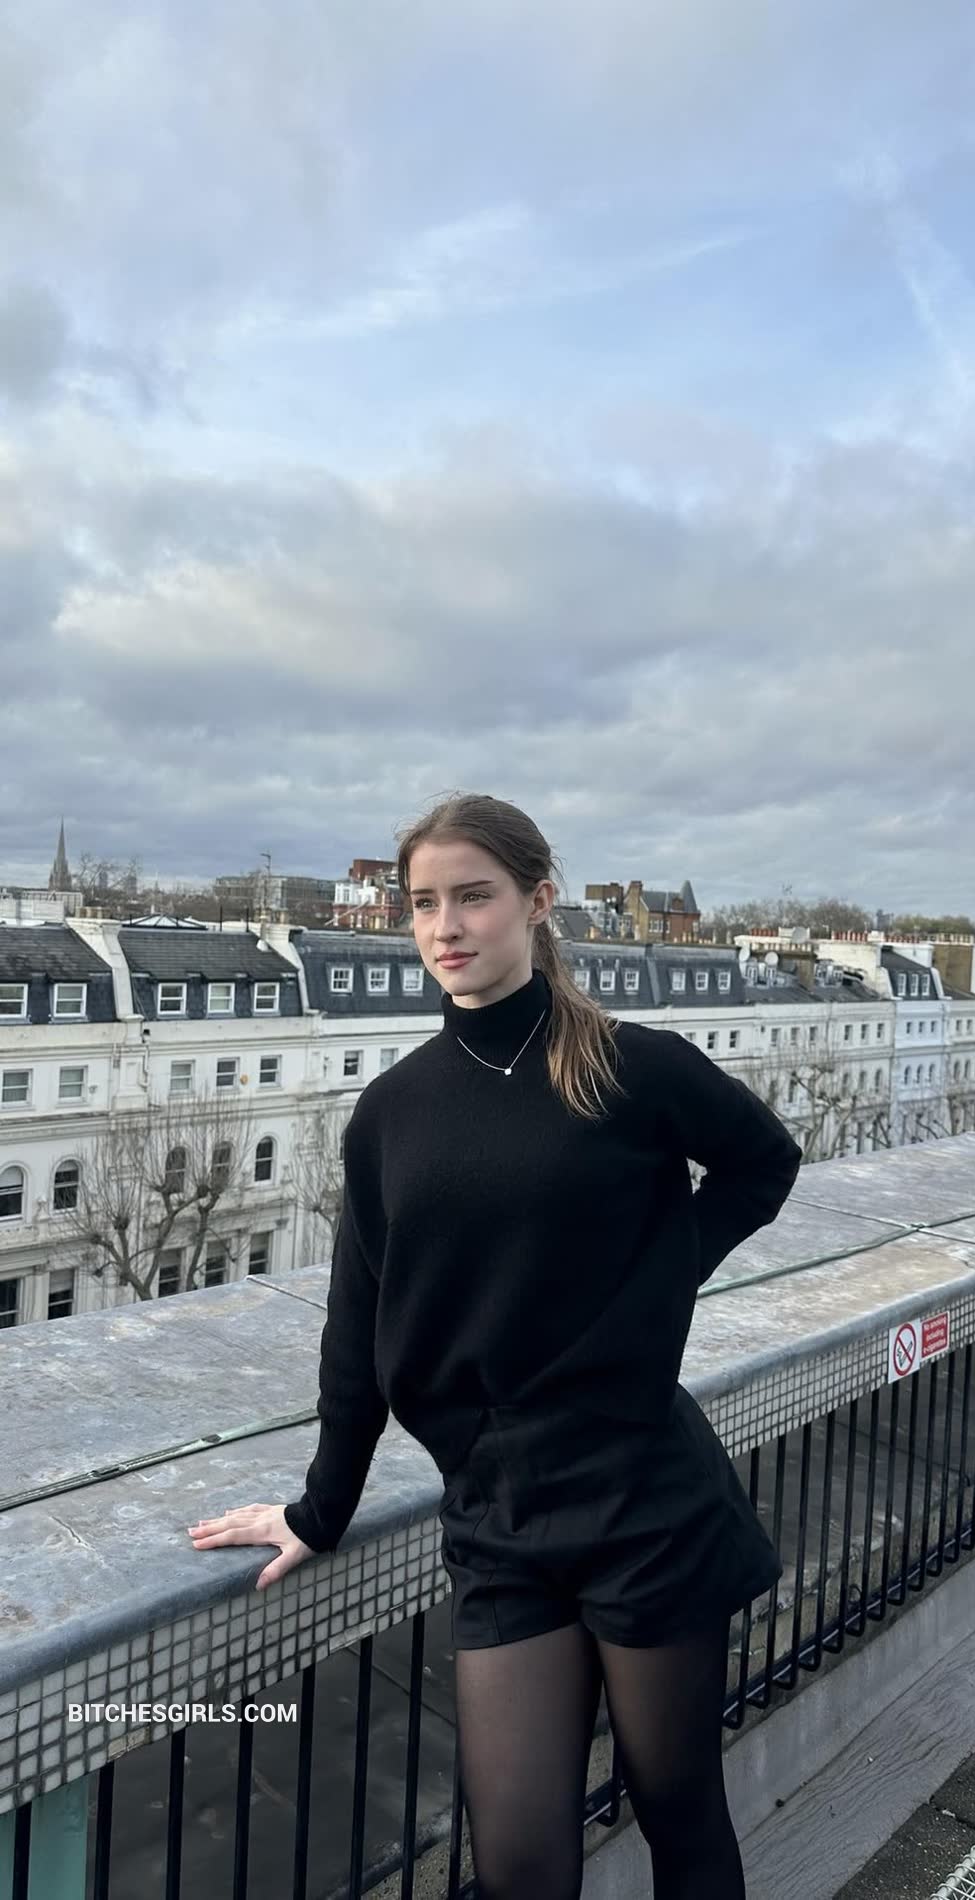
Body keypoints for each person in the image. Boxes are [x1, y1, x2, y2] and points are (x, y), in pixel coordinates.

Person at [188, 791, 802, 1899]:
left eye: (472, 896)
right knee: (518, 1863)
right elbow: (357, 1323)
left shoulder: (630, 1066)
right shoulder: (391, 1112)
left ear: (537, 899)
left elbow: (764, 1161)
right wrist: (319, 1508)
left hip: (641, 1496)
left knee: (679, 1816)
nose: (445, 926)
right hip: (496, 1519)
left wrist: (659, 1276)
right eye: (423, 903)